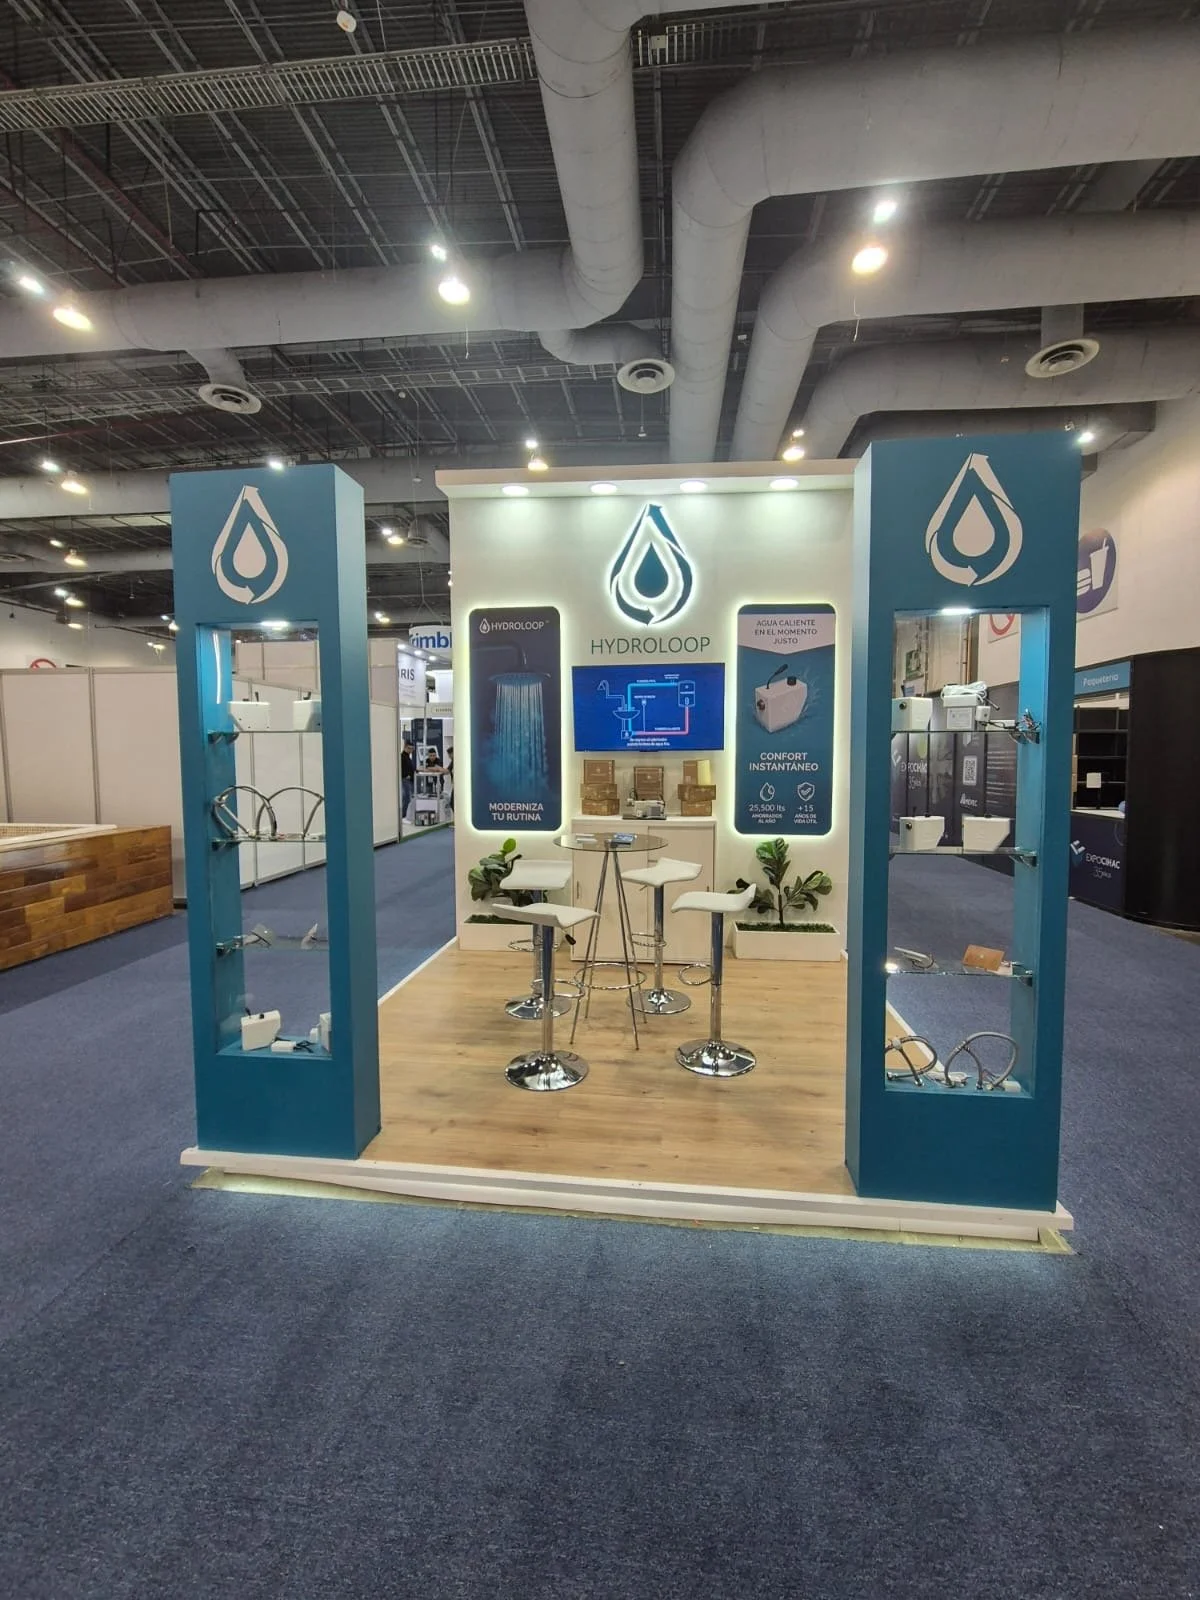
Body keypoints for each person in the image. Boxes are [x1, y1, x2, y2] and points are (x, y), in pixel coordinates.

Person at [400, 739, 415, 820]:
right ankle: (403, 816)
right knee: (406, 798)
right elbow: (401, 770)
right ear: (405, 747)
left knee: (408, 798)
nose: (411, 750)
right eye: (409, 748)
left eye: (412, 749)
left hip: (409, 781)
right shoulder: (402, 757)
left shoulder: (408, 757)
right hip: (405, 780)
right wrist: (406, 776)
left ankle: (405, 816)